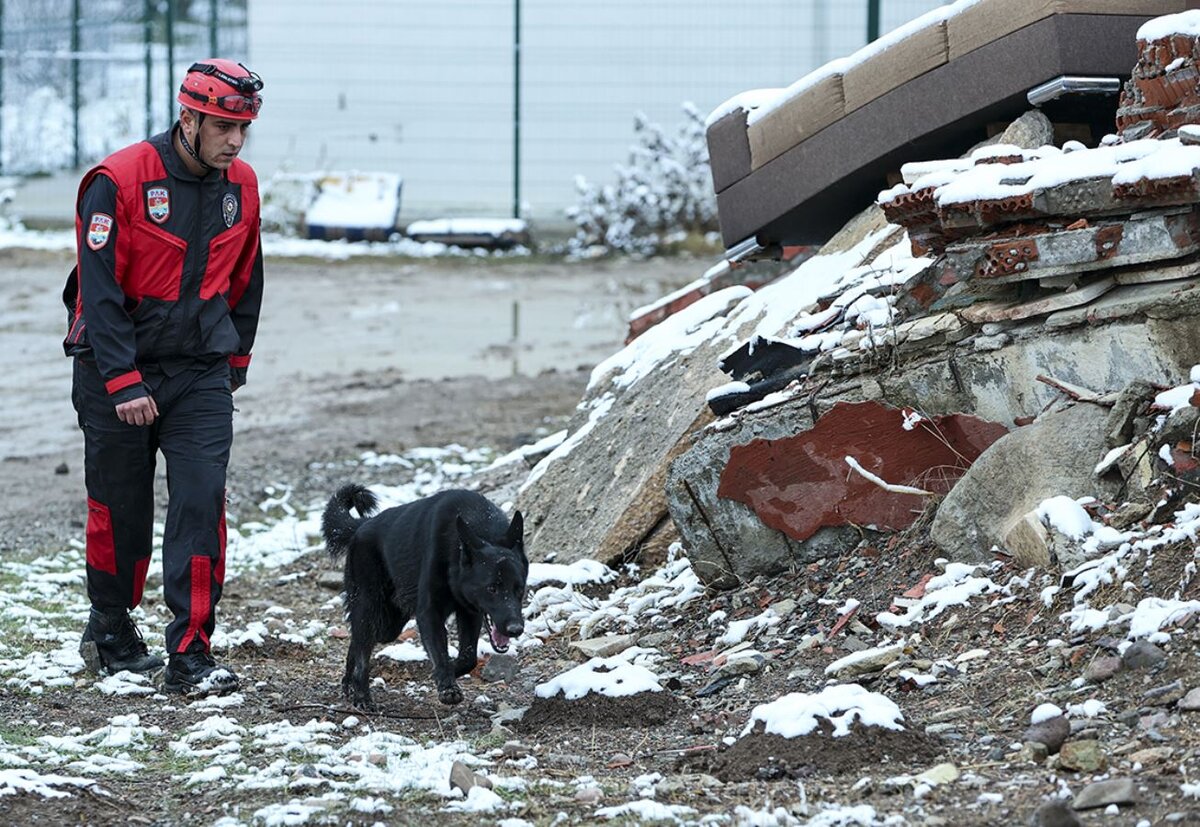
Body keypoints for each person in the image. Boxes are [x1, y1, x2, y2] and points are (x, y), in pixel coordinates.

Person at [62, 59, 265, 696]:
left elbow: (247, 277)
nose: (235, 141)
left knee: (201, 504)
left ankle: (191, 652)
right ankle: (113, 628)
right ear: (189, 118)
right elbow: (96, 291)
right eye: (224, 126)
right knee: (120, 508)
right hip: (115, 369)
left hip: (200, 370)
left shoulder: (243, 186)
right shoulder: (118, 180)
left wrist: (235, 361)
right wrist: (122, 380)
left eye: (244, 128)